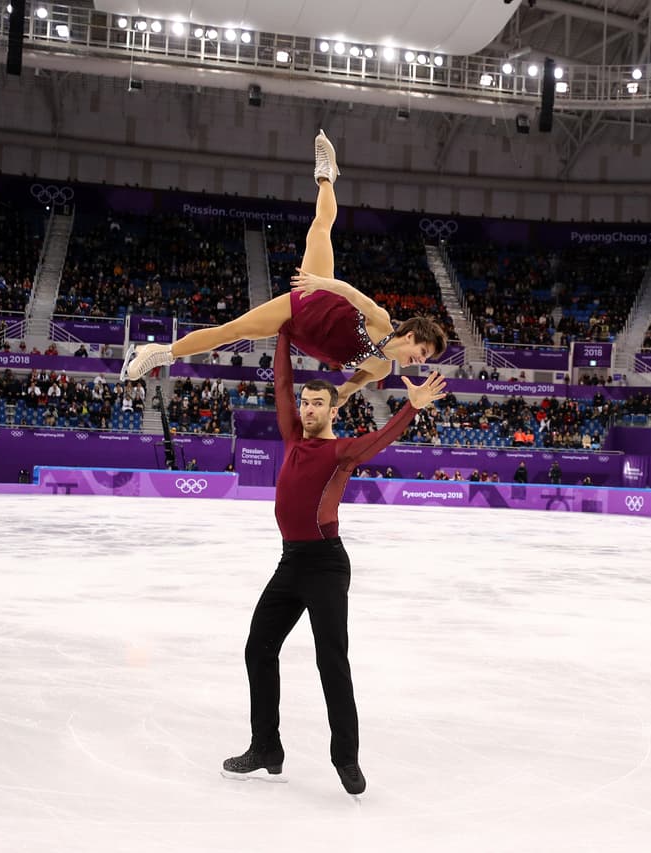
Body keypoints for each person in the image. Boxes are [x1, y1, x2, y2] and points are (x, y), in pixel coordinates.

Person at [221, 328, 447, 795]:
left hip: (325, 566)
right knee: (258, 648)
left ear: (333, 410)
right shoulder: (291, 437)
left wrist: (411, 407)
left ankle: (346, 758)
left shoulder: (340, 451)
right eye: (306, 403)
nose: (307, 409)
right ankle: (266, 748)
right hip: (290, 564)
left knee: (331, 661)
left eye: (318, 404)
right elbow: (281, 384)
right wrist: (283, 331)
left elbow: (380, 439)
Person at [121, 132, 447, 400]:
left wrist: (340, 396)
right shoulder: (382, 320)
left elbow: (353, 385)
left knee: (237, 329)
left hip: (307, 335)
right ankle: (326, 176)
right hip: (313, 301)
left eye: (425, 358)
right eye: (422, 351)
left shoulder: (382, 368)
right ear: (410, 335)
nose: (420, 360)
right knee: (318, 231)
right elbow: (351, 293)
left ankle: (161, 352)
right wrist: (321, 283)